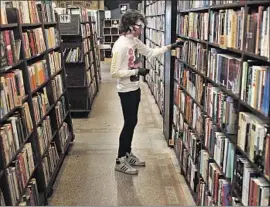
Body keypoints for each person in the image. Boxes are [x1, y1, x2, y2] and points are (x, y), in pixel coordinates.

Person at [110, 9, 182, 175]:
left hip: (135, 88)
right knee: (129, 123)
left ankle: (127, 153)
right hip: (126, 90)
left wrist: (171, 46)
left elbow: (150, 52)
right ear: (130, 26)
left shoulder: (134, 42)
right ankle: (120, 159)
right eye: (139, 26)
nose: (142, 29)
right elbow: (114, 73)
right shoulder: (120, 46)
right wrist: (136, 72)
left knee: (133, 122)